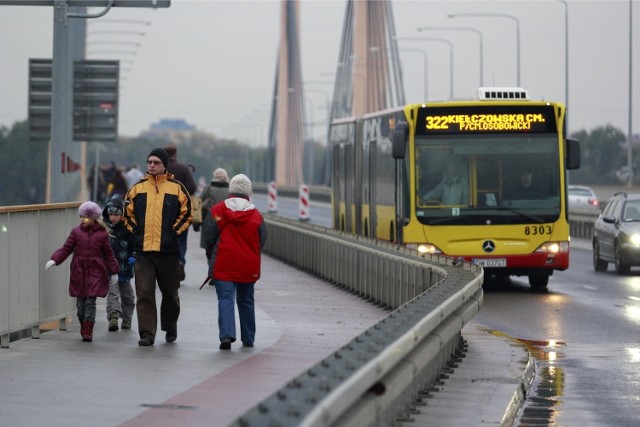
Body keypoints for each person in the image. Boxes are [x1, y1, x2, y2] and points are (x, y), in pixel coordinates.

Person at [123, 148, 192, 346]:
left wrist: (173, 232)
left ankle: (170, 326)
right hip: (143, 251)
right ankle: (147, 333)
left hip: (168, 251)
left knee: (170, 293)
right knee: (144, 293)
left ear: (164, 165)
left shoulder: (176, 188)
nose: (152, 165)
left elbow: (186, 214)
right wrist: (136, 232)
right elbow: (127, 213)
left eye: (156, 162)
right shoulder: (137, 188)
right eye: (149, 162)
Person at [202, 174, 267, 350]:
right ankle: (248, 338)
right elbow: (262, 240)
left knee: (225, 299)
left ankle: (226, 336)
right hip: (248, 265)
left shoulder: (217, 211)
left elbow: (208, 236)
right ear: (248, 192)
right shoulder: (256, 216)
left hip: (224, 263)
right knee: (246, 300)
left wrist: (212, 251)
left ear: (231, 190)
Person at [45, 201, 119, 342]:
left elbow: (109, 255)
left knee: (90, 302)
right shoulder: (76, 232)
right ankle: (83, 322)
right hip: (79, 272)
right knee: (80, 305)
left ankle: (88, 329)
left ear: (94, 218)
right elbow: (66, 249)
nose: (83, 220)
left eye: (86, 217)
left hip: (96, 271)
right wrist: (54, 260)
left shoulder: (102, 235)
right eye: (81, 217)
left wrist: (114, 271)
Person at [102, 195, 136, 332]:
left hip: (125, 268)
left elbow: (135, 246)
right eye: (110, 214)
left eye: (116, 214)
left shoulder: (128, 230)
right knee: (113, 294)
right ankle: (113, 316)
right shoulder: (105, 230)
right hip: (111, 270)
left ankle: (127, 318)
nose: (113, 218)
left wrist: (134, 255)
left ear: (122, 214)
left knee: (128, 296)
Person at [164, 144, 197, 281]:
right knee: (182, 238)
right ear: (175, 155)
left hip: (163, 210)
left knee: (165, 237)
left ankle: (167, 265)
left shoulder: (161, 168)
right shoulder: (184, 169)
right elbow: (193, 187)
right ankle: (180, 260)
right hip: (182, 210)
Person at [199, 167, 230, 254]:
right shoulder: (230, 190)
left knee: (209, 249)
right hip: (225, 223)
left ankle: (211, 265)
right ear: (225, 176)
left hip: (209, 221)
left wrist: (196, 223)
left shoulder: (208, 189)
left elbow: (199, 204)